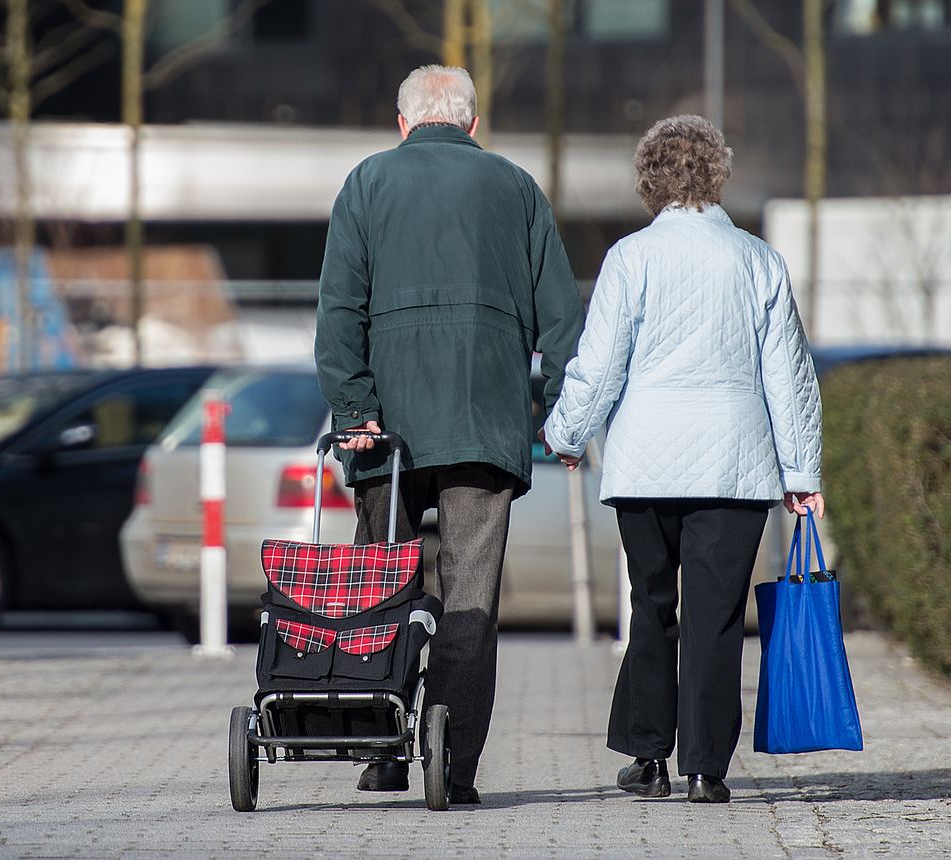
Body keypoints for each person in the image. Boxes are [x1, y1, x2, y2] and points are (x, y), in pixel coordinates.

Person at [316, 65, 583, 804]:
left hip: (385, 436)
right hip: (483, 426)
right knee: (471, 599)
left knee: (383, 589)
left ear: (403, 123)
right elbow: (563, 319)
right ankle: (454, 767)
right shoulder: (517, 189)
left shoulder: (367, 184)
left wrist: (353, 408)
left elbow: (338, 313)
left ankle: (383, 751)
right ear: (471, 126)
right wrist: (559, 415)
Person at [543, 115, 824, 804]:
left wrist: (567, 434)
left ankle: (649, 758)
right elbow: (788, 375)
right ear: (717, 173)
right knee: (716, 616)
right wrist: (801, 474)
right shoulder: (758, 259)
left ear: (649, 179)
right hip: (735, 463)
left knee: (653, 605)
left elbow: (601, 361)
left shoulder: (631, 258)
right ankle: (705, 767)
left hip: (646, 462)